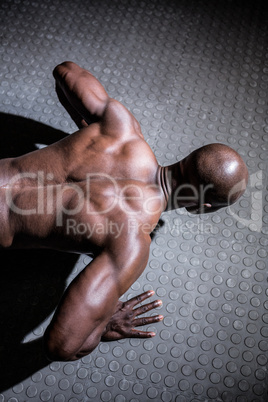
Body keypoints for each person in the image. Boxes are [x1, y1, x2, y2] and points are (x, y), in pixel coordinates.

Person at [0, 62, 248, 361]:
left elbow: (65, 72)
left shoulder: (120, 125)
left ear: (188, 157)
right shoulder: (131, 243)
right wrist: (105, 324)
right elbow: (61, 346)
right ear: (201, 207)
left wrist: (86, 132)